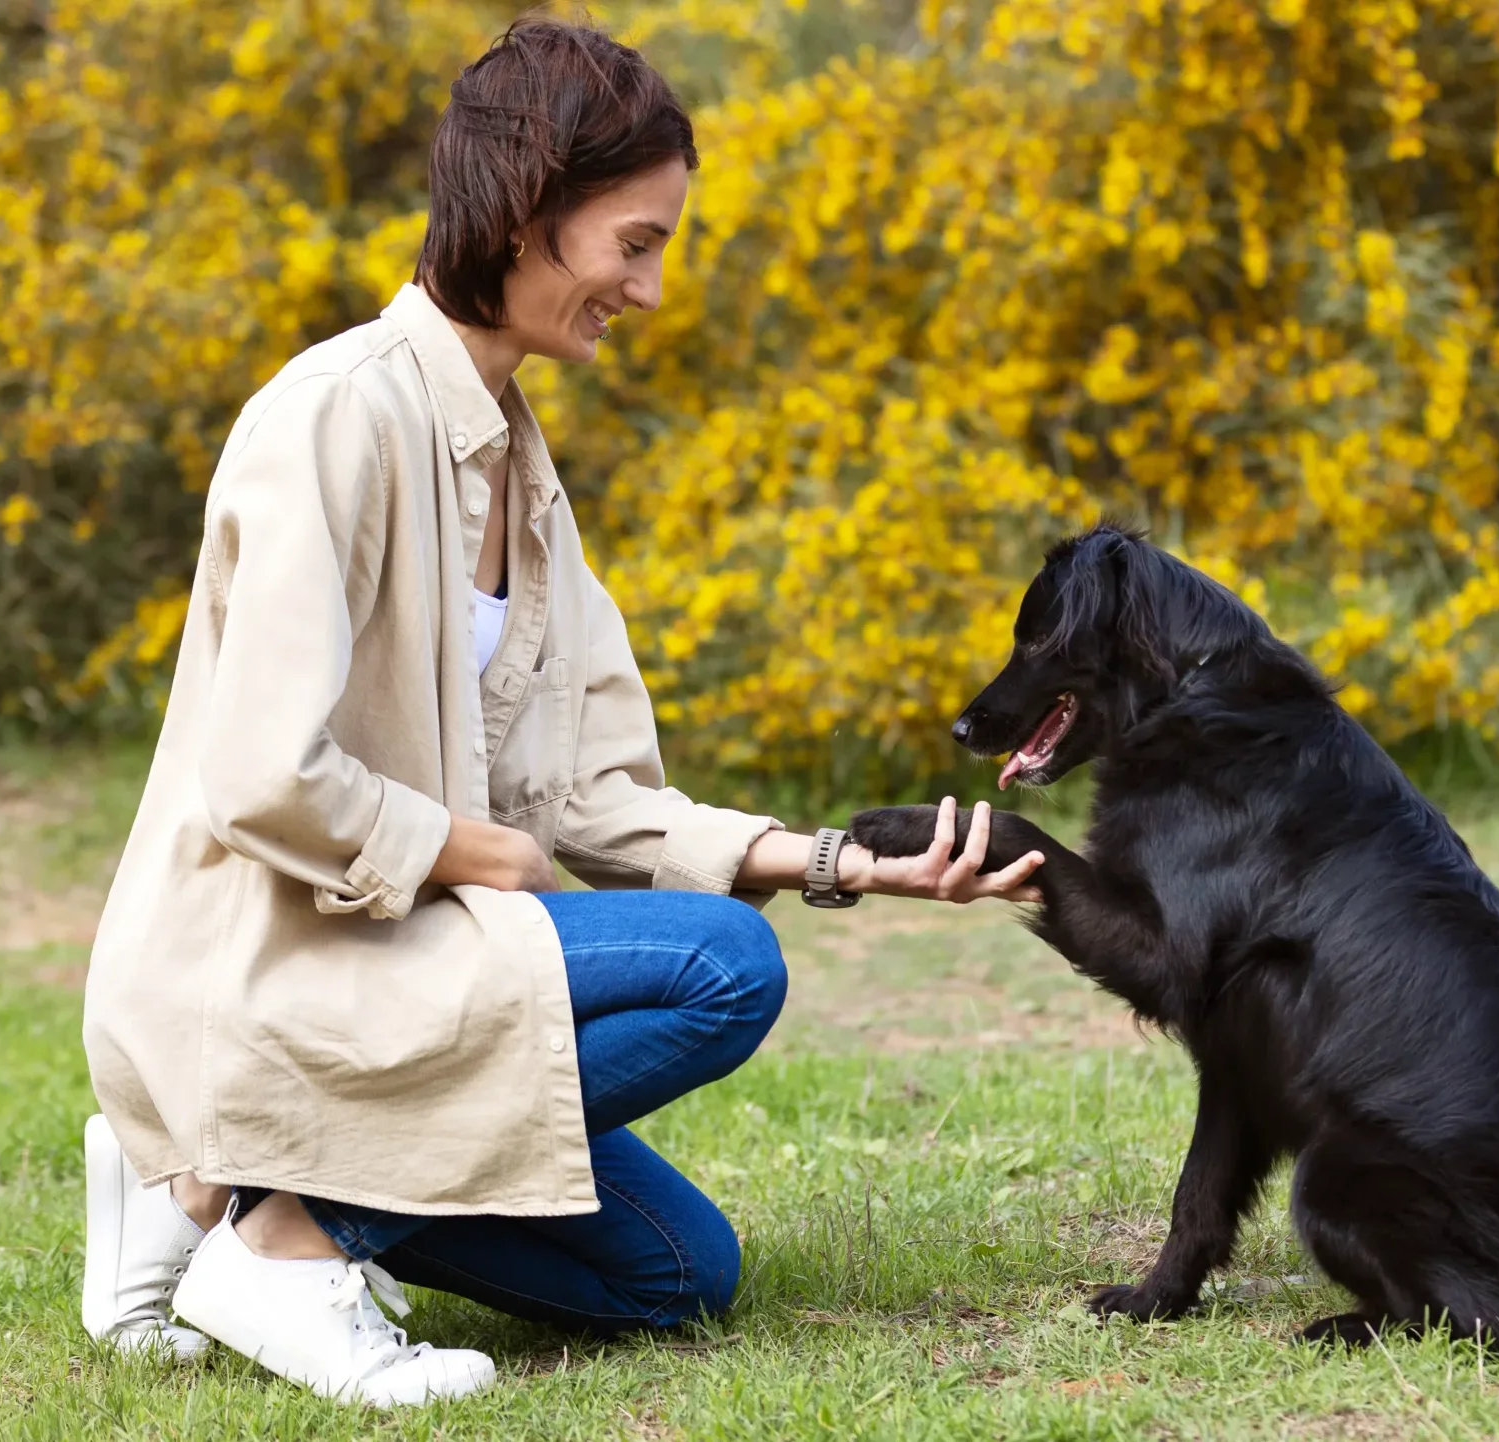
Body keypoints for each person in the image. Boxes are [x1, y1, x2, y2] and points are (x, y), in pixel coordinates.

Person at [75, 19, 1043, 1408]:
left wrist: (841, 862)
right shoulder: (332, 417)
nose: (648, 291)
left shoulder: (522, 470)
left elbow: (594, 791)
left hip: (400, 959)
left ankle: (208, 1177)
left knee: (673, 1274)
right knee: (722, 968)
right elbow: (258, 773)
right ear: (527, 216)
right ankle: (287, 1238)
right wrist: (481, 855)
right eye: (634, 243)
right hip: (274, 962)